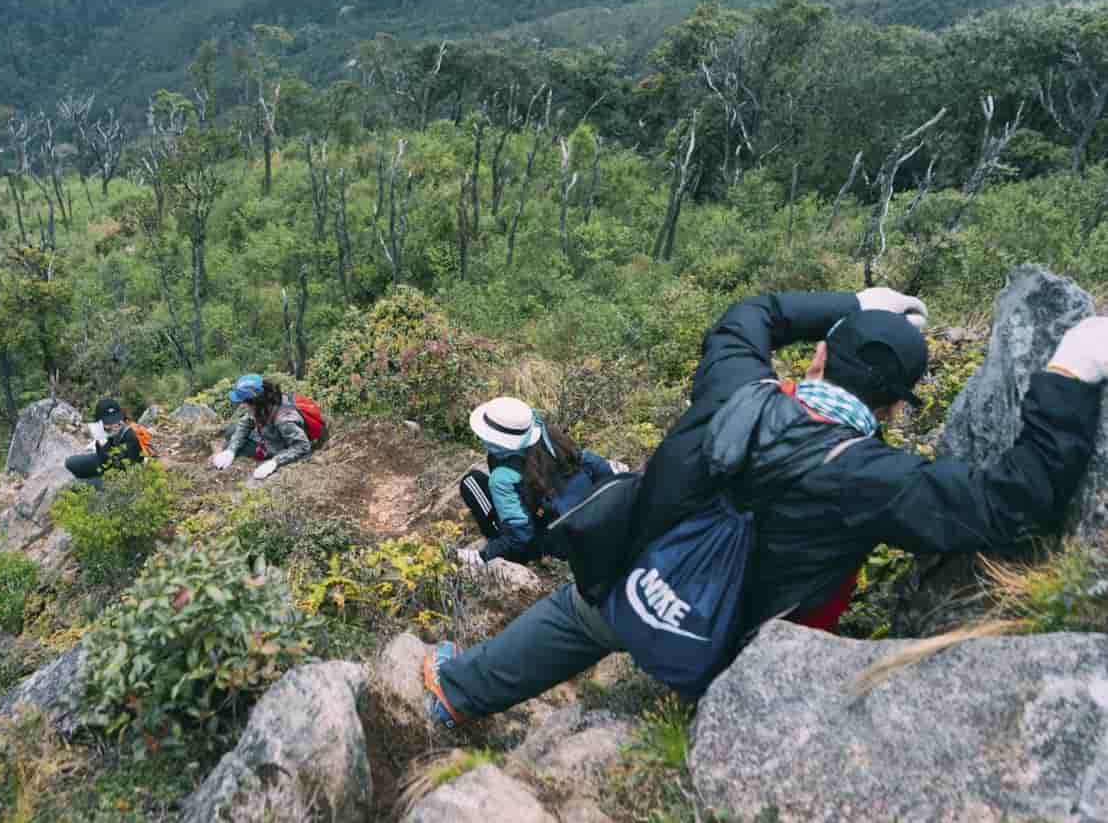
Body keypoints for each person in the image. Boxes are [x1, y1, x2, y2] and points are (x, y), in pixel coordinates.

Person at [423, 287, 1106, 729]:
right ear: (897, 407)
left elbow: (748, 316)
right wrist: (1069, 372)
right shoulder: (880, 479)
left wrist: (854, 299)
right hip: (737, 650)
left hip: (630, 586)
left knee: (579, 612)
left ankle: (457, 687)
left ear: (815, 358)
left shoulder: (732, 384)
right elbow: (1015, 500)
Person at [459, 396, 624, 566]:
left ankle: (499, 541)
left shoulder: (502, 477)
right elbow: (593, 464)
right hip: (583, 519)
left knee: (472, 482)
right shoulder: (551, 437)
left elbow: (521, 537)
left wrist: (485, 555)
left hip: (549, 543)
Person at [211, 374, 313, 481]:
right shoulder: (266, 400)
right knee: (231, 432)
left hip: (280, 445)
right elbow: (246, 422)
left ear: (254, 402)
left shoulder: (284, 420)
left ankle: (268, 453)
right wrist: (231, 451)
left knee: (233, 443)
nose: (242, 405)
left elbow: (303, 445)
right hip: (271, 433)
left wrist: (275, 462)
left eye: (244, 402)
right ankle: (232, 450)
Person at [65, 398, 143, 486]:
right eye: (108, 422)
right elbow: (103, 458)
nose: (114, 424)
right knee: (70, 463)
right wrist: (99, 443)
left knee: (79, 485)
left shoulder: (130, 436)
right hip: (107, 464)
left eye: (116, 419)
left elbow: (125, 469)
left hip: (121, 477)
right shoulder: (111, 434)